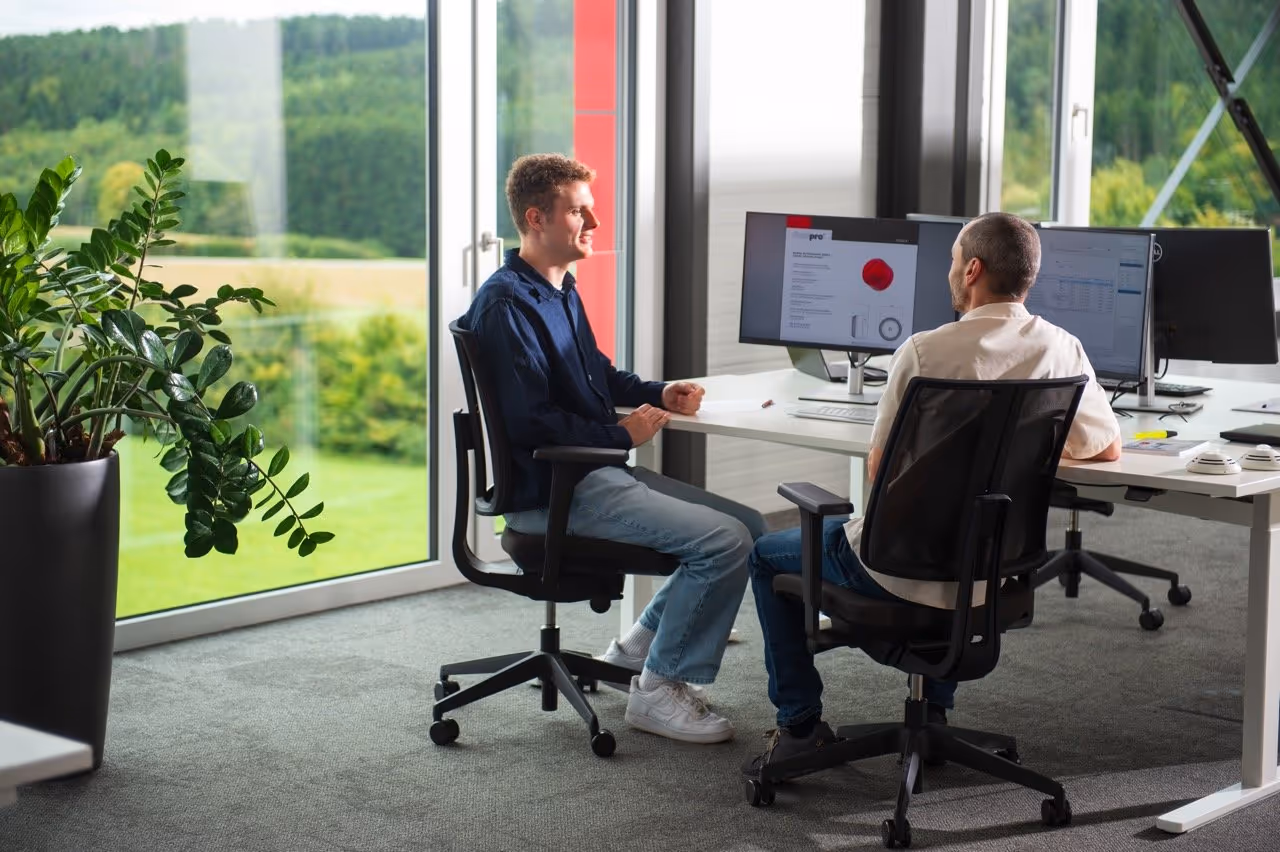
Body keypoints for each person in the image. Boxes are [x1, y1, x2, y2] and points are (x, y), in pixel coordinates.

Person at [744, 212, 1123, 774]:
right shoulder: (1062, 348)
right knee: (954, 531)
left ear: (973, 269)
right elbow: (1105, 448)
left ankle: (799, 725)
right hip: (990, 574)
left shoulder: (924, 351)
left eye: (952, 261)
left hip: (896, 572)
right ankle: (935, 713)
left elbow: (880, 470)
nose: (949, 272)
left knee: (763, 554)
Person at [458, 153, 766, 745]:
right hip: (553, 491)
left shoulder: (557, 289)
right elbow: (532, 424)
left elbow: (595, 375)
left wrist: (659, 393)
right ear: (536, 218)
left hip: (590, 475)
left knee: (747, 526)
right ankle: (657, 690)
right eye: (579, 211)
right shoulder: (505, 306)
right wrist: (622, 436)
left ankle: (633, 653)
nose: (594, 222)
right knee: (722, 542)